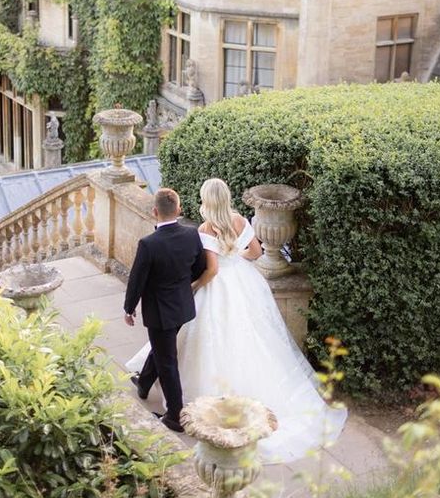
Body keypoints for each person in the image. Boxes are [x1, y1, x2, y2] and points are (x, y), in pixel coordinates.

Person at [127, 178, 347, 462]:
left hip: (217, 287)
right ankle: (147, 379)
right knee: (249, 336)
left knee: (191, 336)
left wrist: (195, 286)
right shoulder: (240, 220)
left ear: (207, 200)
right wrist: (235, 256)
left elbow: (212, 270)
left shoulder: (207, 228)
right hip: (243, 282)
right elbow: (255, 252)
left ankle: (172, 396)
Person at [123, 187, 206, 433]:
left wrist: (129, 309)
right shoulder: (192, 235)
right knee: (162, 349)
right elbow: (199, 267)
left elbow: (136, 280)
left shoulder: (149, 244)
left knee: (167, 360)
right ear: (178, 209)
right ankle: (144, 382)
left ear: (154, 212)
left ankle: (175, 416)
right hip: (182, 307)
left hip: (160, 312)